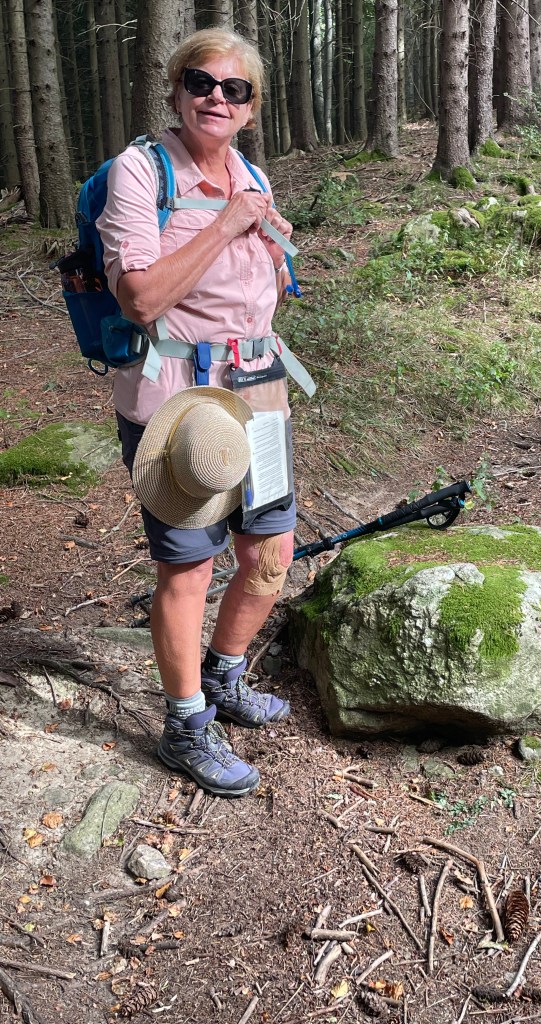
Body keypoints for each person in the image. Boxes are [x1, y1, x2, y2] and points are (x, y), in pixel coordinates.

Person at [96, 27, 305, 798]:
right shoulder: (141, 171)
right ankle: (185, 725)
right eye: (201, 82)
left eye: (234, 89)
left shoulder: (252, 174)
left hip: (261, 394)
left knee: (270, 554)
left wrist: (270, 247)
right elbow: (141, 297)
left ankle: (223, 676)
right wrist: (224, 225)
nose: (217, 97)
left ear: (250, 108)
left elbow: (264, 295)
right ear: (177, 90)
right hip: (181, 406)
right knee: (188, 568)